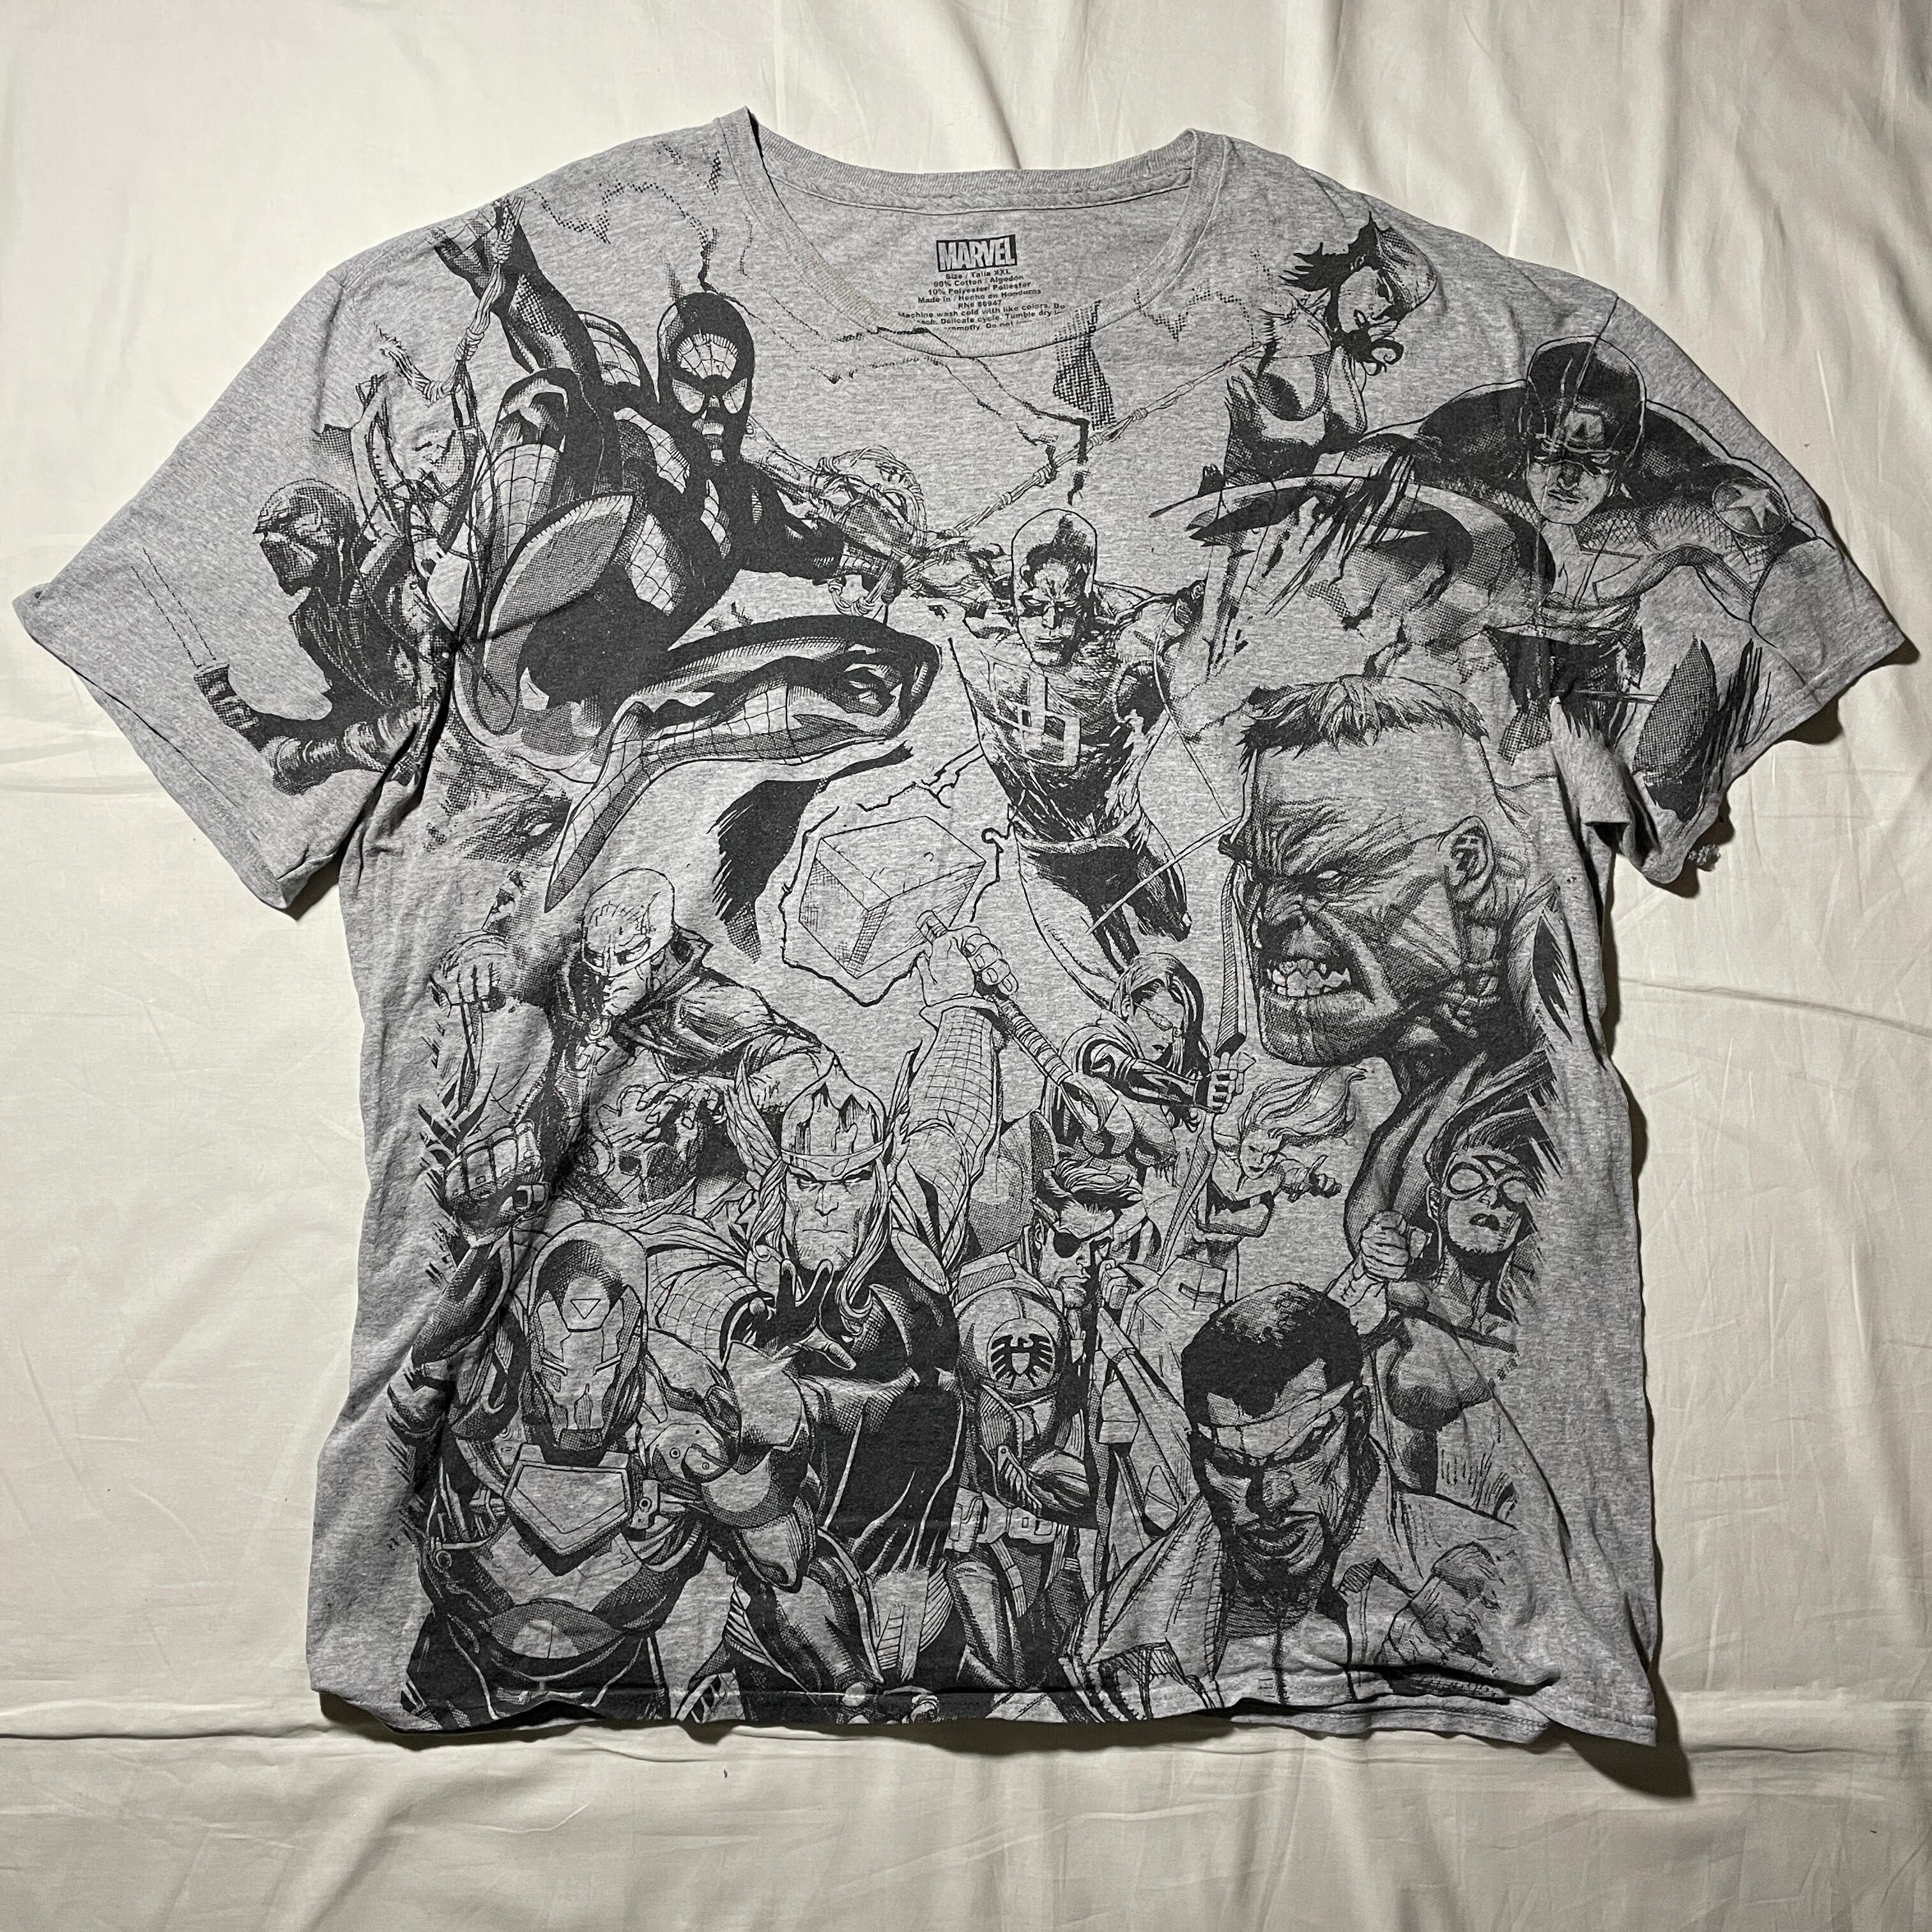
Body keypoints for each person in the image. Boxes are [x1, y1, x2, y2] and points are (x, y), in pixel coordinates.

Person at [1016, 1281, 1541, 1723]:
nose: (1268, 1498)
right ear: (1199, 1457)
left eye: (1302, 1451)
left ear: (1357, 1419)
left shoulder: (1490, 1568)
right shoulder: (1124, 1612)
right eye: (1232, 1464)